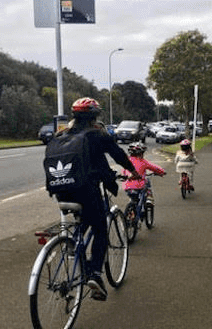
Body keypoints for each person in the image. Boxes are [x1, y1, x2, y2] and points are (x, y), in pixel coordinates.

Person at [49, 97, 134, 301]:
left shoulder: (61, 135)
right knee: (100, 230)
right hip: (87, 191)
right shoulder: (97, 135)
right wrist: (133, 171)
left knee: (85, 221)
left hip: (61, 191)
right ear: (95, 116)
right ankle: (95, 273)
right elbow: (118, 155)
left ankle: (76, 249)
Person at [121, 142, 166, 214]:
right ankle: (149, 199)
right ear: (141, 153)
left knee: (132, 198)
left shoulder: (127, 161)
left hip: (127, 186)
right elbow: (154, 168)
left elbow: (124, 172)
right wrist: (162, 172)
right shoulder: (143, 162)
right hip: (139, 185)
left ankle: (130, 211)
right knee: (147, 181)